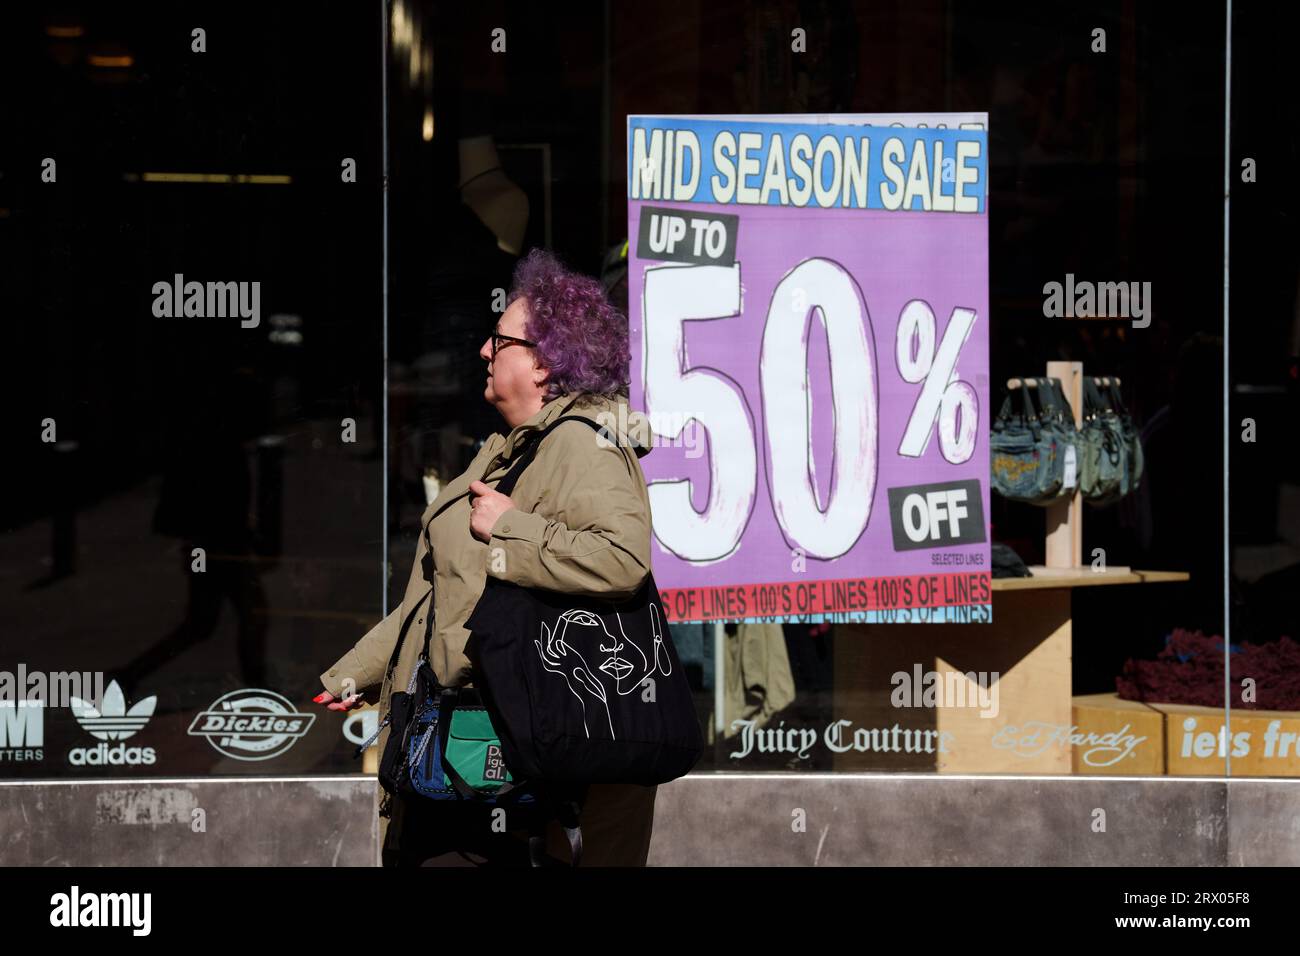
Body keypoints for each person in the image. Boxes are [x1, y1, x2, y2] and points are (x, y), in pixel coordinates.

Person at [314, 248, 659, 866]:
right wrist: (359, 671)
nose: (482, 350)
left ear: (545, 363)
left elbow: (621, 558)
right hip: (464, 739)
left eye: (498, 341)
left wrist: (512, 531)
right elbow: (442, 588)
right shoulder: (505, 450)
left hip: (521, 758)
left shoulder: (585, 447)